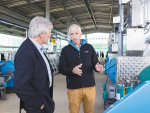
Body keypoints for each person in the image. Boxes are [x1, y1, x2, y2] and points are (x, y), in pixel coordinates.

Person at [13, 16, 55, 113]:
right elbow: (20, 86)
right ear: (41, 34)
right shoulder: (26, 51)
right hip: (36, 107)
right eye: (49, 32)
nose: (50, 35)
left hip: (44, 99)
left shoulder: (36, 48)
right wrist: (39, 104)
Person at [59, 24, 103, 113]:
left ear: (81, 34)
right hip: (73, 89)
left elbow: (95, 62)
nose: (74, 36)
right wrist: (72, 70)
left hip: (89, 87)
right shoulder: (65, 50)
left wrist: (96, 67)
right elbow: (61, 68)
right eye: (72, 34)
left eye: (76, 33)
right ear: (69, 35)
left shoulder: (89, 48)